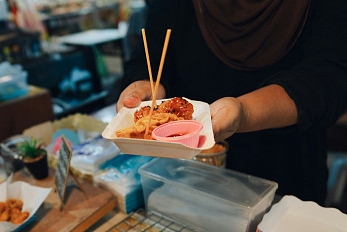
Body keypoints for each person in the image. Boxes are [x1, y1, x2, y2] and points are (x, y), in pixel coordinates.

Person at [117, 0, 347, 206]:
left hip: (285, 175)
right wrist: (145, 84)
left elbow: (329, 78)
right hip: (185, 171)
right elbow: (150, 54)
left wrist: (244, 111)